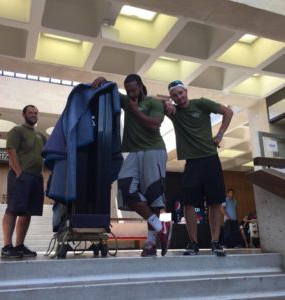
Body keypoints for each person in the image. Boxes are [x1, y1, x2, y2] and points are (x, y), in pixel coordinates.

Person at [92, 74, 170, 257]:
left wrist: (134, 110)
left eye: (133, 90)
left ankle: (151, 243)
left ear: (142, 86)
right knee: (125, 187)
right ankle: (161, 227)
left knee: (154, 197)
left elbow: (154, 124)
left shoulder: (154, 103)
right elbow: (110, 91)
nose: (131, 94)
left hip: (153, 150)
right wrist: (104, 80)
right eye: (127, 91)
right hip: (134, 152)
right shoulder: (127, 101)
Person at [164, 80, 233, 256]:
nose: (179, 97)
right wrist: (165, 102)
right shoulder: (174, 112)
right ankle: (193, 242)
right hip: (192, 163)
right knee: (189, 204)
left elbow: (228, 111)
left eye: (181, 93)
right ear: (172, 97)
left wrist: (220, 134)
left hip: (210, 159)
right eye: (174, 95)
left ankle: (215, 242)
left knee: (215, 203)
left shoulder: (201, 103)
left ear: (186, 91)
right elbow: (149, 101)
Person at [1, 105, 46, 259]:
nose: (33, 115)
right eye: (30, 113)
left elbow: (47, 153)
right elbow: (11, 150)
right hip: (20, 175)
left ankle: (19, 245)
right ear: (24, 114)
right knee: (13, 209)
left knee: (27, 213)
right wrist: (18, 172)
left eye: (36, 113)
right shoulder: (17, 130)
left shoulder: (40, 135)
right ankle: (7, 246)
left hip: (36, 177)